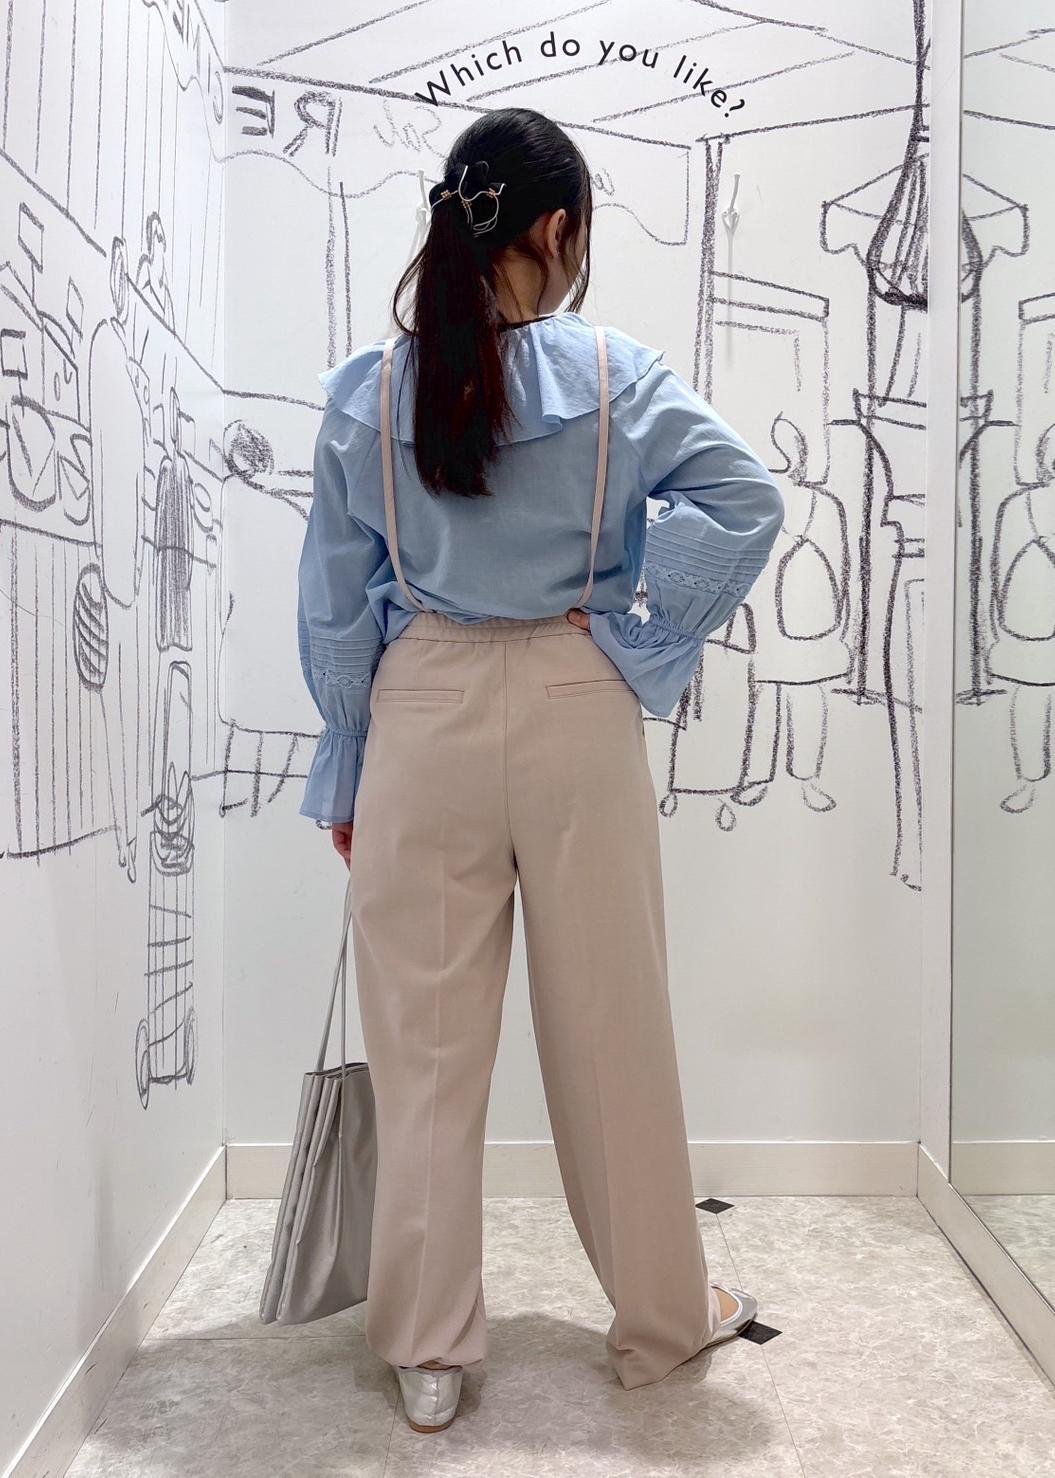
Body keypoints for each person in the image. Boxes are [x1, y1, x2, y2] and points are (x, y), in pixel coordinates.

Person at [296, 107, 785, 1434]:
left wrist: (349, 767)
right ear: (559, 228)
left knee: (423, 1045)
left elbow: (337, 603)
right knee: (617, 1032)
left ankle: (429, 1349)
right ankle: (665, 1318)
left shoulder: (369, 393)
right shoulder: (618, 377)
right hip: (578, 705)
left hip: (422, 711)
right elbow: (747, 500)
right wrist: (641, 636)